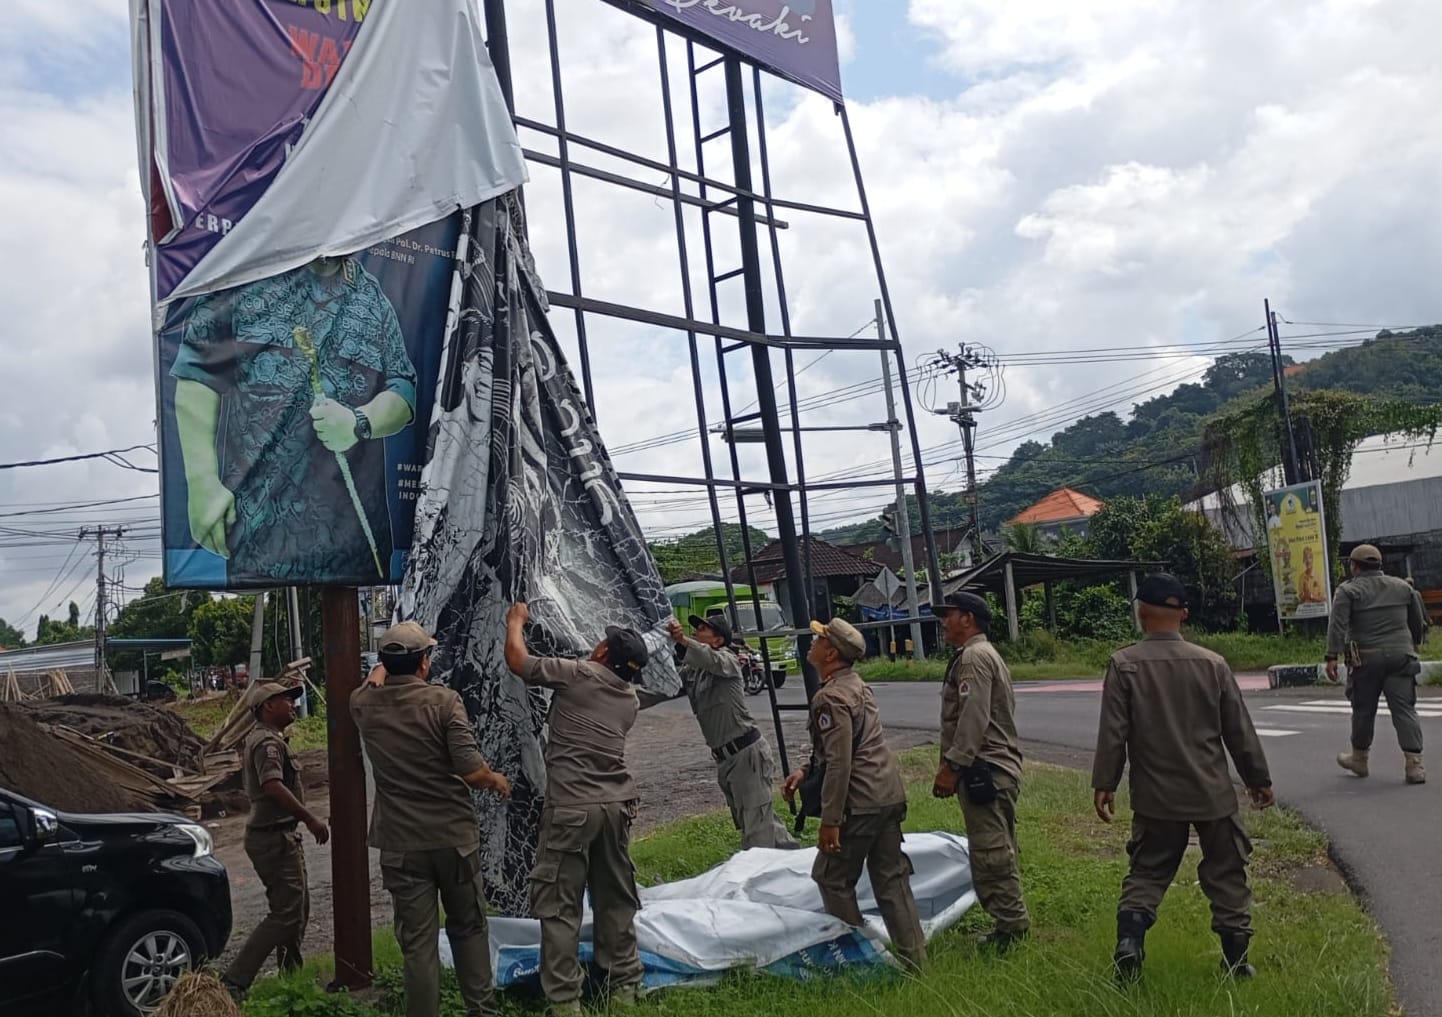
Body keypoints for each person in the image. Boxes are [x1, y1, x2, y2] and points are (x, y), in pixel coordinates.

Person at [170, 255, 418, 583]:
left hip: (359, 542)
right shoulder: (244, 278)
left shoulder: (369, 296)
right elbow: (196, 374)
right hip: (259, 535)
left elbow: (403, 388)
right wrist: (202, 482)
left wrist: (359, 421)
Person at [1092, 573, 1274, 982]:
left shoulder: (1124, 665)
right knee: (1227, 872)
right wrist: (1257, 778)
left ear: (1141, 614)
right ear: (1184, 615)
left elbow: (1112, 733)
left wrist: (1105, 783)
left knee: (1148, 870)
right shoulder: (1213, 664)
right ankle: (1235, 962)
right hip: (1212, 793)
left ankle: (1130, 944)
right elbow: (1238, 731)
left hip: (1156, 798)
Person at [351, 621, 512, 1017]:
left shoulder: (362, 705)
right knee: (469, 928)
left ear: (385, 663)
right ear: (424, 663)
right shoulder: (444, 702)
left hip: (401, 844)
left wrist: (380, 671)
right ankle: (481, 1011)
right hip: (452, 837)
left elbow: (370, 684)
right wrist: (496, 780)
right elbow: (472, 772)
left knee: (418, 944)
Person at [504, 602, 646, 1016]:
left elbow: (518, 660)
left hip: (572, 809)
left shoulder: (578, 674)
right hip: (616, 806)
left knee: (560, 906)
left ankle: (565, 1002)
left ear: (603, 653)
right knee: (615, 898)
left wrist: (516, 622)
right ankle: (623, 986)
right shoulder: (629, 699)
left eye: (601, 642)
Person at [781, 617, 926, 971]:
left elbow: (841, 763)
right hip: (887, 794)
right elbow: (846, 747)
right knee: (891, 880)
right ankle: (916, 962)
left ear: (830, 653)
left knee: (831, 878)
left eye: (818, 641)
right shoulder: (857, 685)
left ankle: (862, 963)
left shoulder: (830, 697)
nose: (812, 645)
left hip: (858, 803)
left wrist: (831, 821)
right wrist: (805, 770)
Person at [929, 592, 1030, 952]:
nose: (944, 623)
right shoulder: (979, 654)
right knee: (997, 846)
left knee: (991, 852)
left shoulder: (973, 657)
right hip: (989, 768)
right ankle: (1009, 922)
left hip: (984, 769)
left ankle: (1011, 929)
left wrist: (952, 766)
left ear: (968, 618)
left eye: (949, 615)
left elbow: (973, 718)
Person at [222, 682, 328, 1000]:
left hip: (280, 835)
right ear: (268, 706)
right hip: (272, 837)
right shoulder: (267, 742)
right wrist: (310, 818)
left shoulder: (274, 739)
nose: (293, 705)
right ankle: (234, 982)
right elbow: (272, 785)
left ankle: (291, 982)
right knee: (286, 914)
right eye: (286, 700)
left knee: (298, 910)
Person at [667, 612, 797, 850]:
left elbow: (711, 659)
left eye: (703, 629)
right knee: (762, 822)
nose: (695, 632)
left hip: (746, 754)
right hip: (726, 759)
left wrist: (683, 641)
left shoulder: (728, 660)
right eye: (695, 629)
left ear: (718, 641)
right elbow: (667, 688)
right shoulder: (693, 671)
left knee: (757, 833)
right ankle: (800, 869)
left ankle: (757, 880)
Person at [1327, 544, 1428, 784]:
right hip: (1401, 657)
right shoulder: (1403, 587)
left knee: (1363, 710)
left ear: (1354, 566)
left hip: (1366, 659)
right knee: (1404, 709)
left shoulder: (1348, 590)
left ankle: (1359, 760)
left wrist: (1331, 656)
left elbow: (1337, 625)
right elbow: (1417, 622)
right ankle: (1414, 766)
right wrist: (1412, 644)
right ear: (1379, 565)